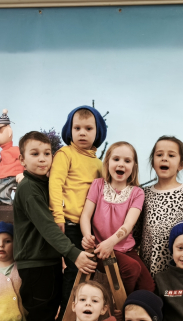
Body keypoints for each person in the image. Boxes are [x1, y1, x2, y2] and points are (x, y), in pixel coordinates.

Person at [13, 130, 97, 321]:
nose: (42, 159)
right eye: (35, 154)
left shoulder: (44, 185)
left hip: (47, 264)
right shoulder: (29, 188)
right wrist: (74, 254)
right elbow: (48, 227)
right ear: (22, 159)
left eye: (47, 153)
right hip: (35, 266)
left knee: (54, 319)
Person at [49, 106, 107, 309]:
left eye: (88, 129)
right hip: (68, 223)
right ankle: (66, 314)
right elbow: (55, 184)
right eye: (77, 128)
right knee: (75, 270)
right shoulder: (65, 154)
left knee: (86, 271)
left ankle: (77, 312)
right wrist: (58, 217)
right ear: (70, 130)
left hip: (88, 228)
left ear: (97, 132)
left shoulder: (99, 164)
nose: (82, 133)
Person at [79, 141, 155, 294]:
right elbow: (85, 216)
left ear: (134, 166)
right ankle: (120, 304)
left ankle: (132, 305)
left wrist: (111, 242)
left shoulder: (137, 193)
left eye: (127, 161)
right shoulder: (98, 185)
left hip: (125, 248)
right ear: (107, 163)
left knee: (149, 287)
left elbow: (128, 225)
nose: (121, 164)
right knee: (131, 268)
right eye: (116, 159)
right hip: (100, 248)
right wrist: (87, 236)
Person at [138, 136, 183, 277]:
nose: (164, 158)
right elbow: (136, 232)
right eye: (159, 155)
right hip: (148, 268)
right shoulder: (143, 194)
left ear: (181, 165)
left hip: (177, 270)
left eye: (171, 155)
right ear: (153, 162)